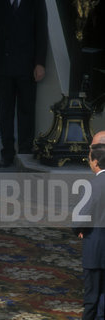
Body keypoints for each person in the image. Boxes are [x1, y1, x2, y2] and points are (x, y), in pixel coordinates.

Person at [0, 0, 48, 167]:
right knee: (5, 112)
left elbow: (42, 31)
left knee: (26, 110)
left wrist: (40, 62)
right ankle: (7, 153)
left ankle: (25, 151)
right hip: (3, 67)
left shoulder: (36, 3)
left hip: (27, 67)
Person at [74, 131, 105, 320]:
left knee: (91, 297)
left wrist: (79, 230)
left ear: (95, 162)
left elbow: (80, 217)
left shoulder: (92, 185)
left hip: (94, 248)